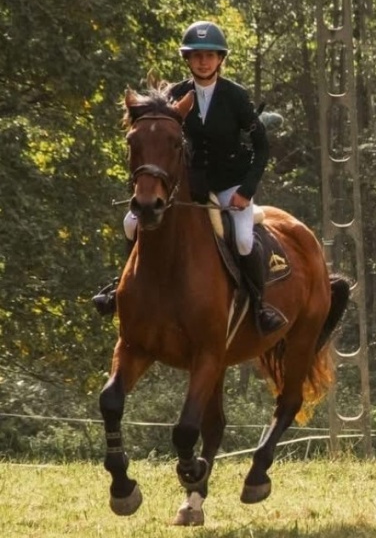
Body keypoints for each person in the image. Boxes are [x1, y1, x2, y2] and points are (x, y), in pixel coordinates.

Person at [92, 21, 285, 335]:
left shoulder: (235, 96)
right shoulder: (175, 95)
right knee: (131, 222)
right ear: (187, 59)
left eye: (210, 55)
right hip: (187, 184)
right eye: (196, 56)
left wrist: (246, 191)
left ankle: (259, 305)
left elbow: (262, 147)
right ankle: (121, 288)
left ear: (220, 59)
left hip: (229, 185)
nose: (203, 62)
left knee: (244, 238)